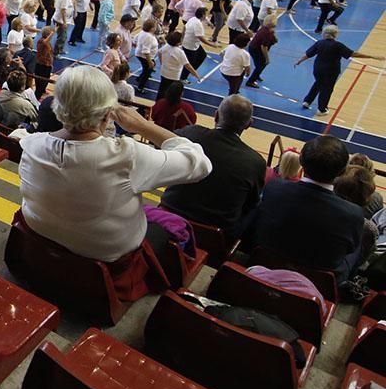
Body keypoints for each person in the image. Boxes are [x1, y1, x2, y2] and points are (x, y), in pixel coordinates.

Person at [18, 65, 211, 263]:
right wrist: (143, 126)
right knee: (172, 228)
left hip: (40, 242)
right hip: (106, 259)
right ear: (106, 115)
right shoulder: (127, 156)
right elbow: (200, 163)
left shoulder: (31, 144)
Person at [245, 136, 365, 285]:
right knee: (362, 240)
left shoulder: (275, 188)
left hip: (265, 262)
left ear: (301, 160)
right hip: (318, 282)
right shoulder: (353, 214)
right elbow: (349, 249)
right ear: (342, 172)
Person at [160, 95, 266, 237]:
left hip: (168, 215)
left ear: (216, 115)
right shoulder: (255, 162)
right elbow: (250, 203)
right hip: (213, 234)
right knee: (259, 208)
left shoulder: (190, 133)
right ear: (249, 124)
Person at [295, 26, 384, 116]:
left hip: (318, 69)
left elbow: (308, 54)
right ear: (335, 34)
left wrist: (299, 61)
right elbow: (353, 54)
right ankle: (322, 109)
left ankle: (307, 101)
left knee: (318, 83)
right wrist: (371, 56)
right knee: (327, 89)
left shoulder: (319, 43)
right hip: (331, 71)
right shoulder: (338, 45)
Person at [245, 15, 277, 88]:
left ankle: (257, 75)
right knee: (261, 64)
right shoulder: (266, 33)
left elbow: (274, 40)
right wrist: (267, 58)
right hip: (256, 50)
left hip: (254, 48)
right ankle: (250, 81)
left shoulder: (267, 29)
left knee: (260, 64)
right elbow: (263, 47)